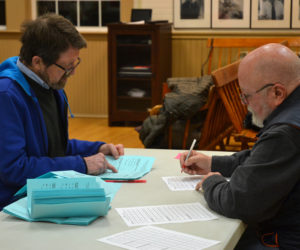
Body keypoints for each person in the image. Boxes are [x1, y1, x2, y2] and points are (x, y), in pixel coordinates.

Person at [180, 43, 300, 249]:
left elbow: (240, 202)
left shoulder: (285, 132)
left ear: (277, 93)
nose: (245, 104)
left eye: (247, 96)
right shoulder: (291, 116)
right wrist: (214, 162)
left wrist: (212, 183)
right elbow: (263, 158)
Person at [0, 13, 124, 210]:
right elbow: (14, 169)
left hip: (43, 194)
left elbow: (53, 149)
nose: (72, 72)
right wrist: (81, 165)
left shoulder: (50, 85)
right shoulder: (6, 96)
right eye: (67, 67)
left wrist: (97, 148)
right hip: (14, 205)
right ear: (37, 62)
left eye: (75, 64)